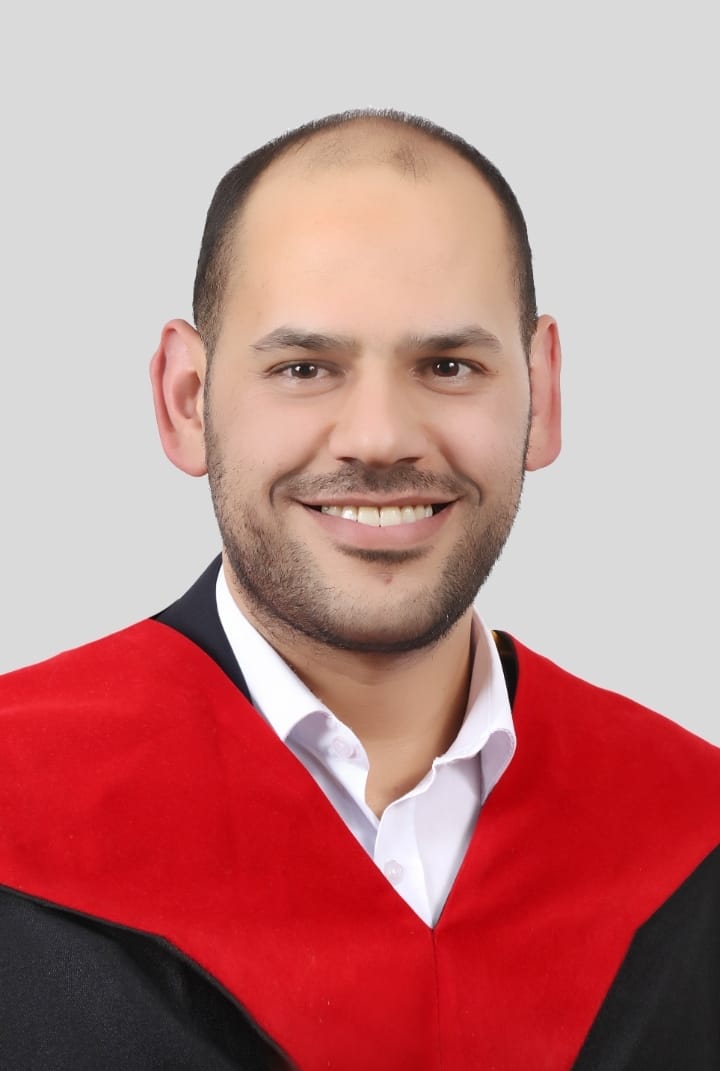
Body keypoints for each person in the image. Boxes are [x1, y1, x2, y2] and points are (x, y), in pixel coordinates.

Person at [1, 109, 718, 1071]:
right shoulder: (19, 801)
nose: (379, 437)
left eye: (449, 365)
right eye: (304, 367)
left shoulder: (690, 835)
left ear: (542, 395)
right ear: (186, 401)